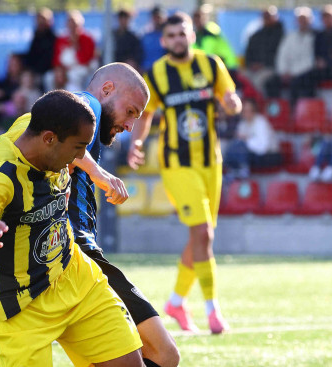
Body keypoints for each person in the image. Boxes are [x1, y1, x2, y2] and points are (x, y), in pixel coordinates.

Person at [0, 90, 144, 367]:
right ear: (49, 139)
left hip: (74, 277)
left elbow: (68, 129)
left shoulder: (35, 125)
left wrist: (96, 172)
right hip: (20, 306)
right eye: (78, 148)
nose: (81, 157)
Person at [128, 12, 242, 334]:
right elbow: (145, 114)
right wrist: (136, 142)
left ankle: (176, 302)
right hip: (177, 164)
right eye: (172, 35)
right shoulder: (157, 73)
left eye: (183, 33)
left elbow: (230, 98)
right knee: (203, 234)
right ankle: (213, 311)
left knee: (201, 236)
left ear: (192, 35)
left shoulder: (210, 64)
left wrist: (233, 104)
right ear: (164, 41)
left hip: (210, 161)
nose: (178, 39)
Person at [65, 63, 180, 367]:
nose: (130, 126)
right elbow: (65, 137)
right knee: (162, 353)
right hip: (75, 253)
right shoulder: (85, 105)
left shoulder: (87, 124)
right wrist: (100, 173)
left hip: (77, 252)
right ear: (106, 90)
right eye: (130, 111)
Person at [223, 98, 280, 177]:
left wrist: (247, 140)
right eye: (244, 111)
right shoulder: (242, 124)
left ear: (254, 111)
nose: (246, 113)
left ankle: (243, 169)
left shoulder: (261, 122)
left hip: (269, 155)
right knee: (233, 145)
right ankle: (233, 169)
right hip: (252, 155)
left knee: (241, 146)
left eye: (249, 111)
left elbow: (263, 147)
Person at [272, 6, 315, 103]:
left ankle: (297, 113)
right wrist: (283, 71)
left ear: (310, 20)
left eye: (305, 19)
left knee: (301, 82)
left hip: (303, 73)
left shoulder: (315, 37)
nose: (302, 21)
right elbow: (282, 55)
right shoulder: (289, 37)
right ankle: (276, 113)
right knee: (271, 82)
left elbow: (310, 60)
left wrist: (292, 73)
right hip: (288, 73)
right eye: (300, 19)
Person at [243, 6, 284, 96]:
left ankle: (258, 105)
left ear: (276, 17)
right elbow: (248, 54)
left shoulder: (281, 35)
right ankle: (246, 105)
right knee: (243, 77)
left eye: (269, 16)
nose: (267, 19)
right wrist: (251, 64)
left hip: (271, 68)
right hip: (254, 68)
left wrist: (263, 64)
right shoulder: (256, 36)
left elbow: (280, 56)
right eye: (265, 17)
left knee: (258, 81)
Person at [52, 10, 96, 91]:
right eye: (70, 23)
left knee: (73, 77)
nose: (72, 27)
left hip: (81, 68)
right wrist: (60, 70)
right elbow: (56, 59)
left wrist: (76, 46)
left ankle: (75, 101)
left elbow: (86, 60)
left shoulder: (87, 38)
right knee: (49, 77)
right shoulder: (61, 39)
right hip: (63, 69)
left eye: (74, 25)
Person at [192, 4, 239, 71]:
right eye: (195, 17)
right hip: (212, 67)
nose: (198, 20)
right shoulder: (198, 35)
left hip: (226, 67)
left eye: (200, 16)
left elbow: (210, 52)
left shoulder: (212, 30)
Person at [25, 7, 56, 91]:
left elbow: (50, 58)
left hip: (48, 71)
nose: (41, 22)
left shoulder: (53, 39)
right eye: (39, 20)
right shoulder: (36, 37)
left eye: (43, 20)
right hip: (35, 71)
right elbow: (31, 56)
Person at [140, 6, 167, 72]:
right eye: (155, 17)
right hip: (147, 71)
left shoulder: (169, 36)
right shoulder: (146, 36)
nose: (157, 20)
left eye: (159, 17)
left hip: (163, 71)